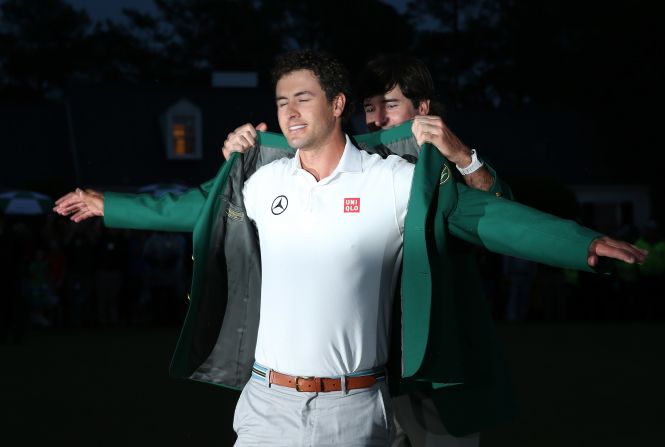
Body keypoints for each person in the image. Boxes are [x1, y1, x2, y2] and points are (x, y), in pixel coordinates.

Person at [54, 49, 646, 445]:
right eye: (281, 101)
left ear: (337, 105)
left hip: (354, 412)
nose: (288, 112)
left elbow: (487, 213)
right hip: (265, 405)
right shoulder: (261, 178)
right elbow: (192, 208)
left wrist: (581, 242)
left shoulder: (391, 182)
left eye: (303, 98)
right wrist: (109, 205)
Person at [356, 54, 512, 446]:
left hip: (439, 364)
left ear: (421, 108)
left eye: (390, 105)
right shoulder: (350, 169)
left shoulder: (449, 168)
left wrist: (462, 155)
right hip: (370, 368)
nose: (377, 120)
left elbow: (503, 214)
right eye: (369, 108)